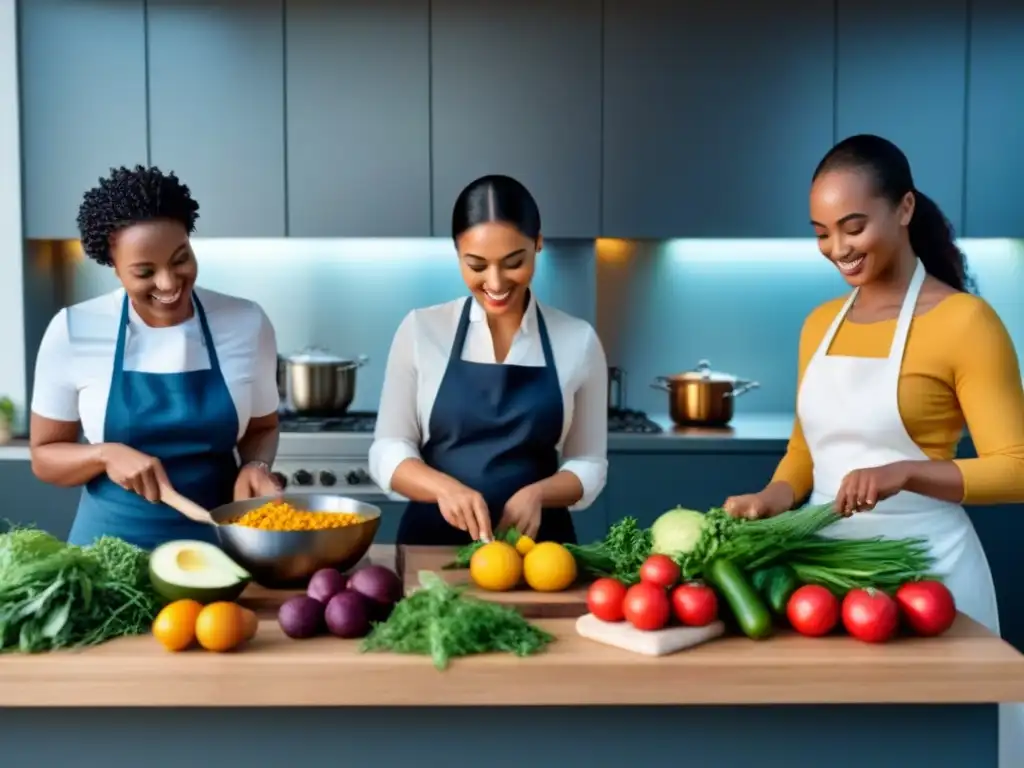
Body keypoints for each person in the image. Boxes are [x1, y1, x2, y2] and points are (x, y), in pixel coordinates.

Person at [723, 134, 1024, 767]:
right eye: (822, 232)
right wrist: (768, 498)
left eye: (853, 227)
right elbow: (804, 456)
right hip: (829, 579)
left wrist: (905, 472)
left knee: (942, 749)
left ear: (905, 209)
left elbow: (1017, 469)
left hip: (933, 581)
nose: (837, 249)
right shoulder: (818, 324)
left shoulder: (965, 322)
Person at [29, 165, 282, 550]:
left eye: (180, 259)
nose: (168, 283)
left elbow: (263, 428)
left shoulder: (246, 322)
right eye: (144, 271)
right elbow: (44, 457)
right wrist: (103, 455)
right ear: (113, 266)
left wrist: (256, 465)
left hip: (221, 547)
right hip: (107, 556)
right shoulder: (72, 330)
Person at [369, 174, 608, 546]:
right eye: (477, 266)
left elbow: (589, 464)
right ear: (458, 255)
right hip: (432, 550)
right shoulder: (421, 329)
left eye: (513, 262)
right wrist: (443, 488)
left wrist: (539, 494)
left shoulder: (578, 340)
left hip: (539, 555)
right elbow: (387, 449)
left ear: (538, 244)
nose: (495, 283)